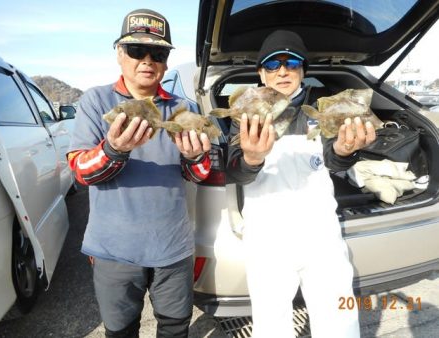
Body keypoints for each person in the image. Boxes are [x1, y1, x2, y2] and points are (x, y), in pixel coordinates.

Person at [66, 9, 212, 338]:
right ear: (119, 53)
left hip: (173, 248)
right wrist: (113, 149)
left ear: (165, 60)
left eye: (158, 53)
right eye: (136, 51)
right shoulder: (95, 101)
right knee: (120, 330)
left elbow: (201, 174)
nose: (147, 60)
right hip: (114, 249)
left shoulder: (183, 108)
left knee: (176, 327)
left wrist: (195, 155)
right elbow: (80, 170)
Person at [227, 30, 377, 337]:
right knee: (271, 325)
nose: (282, 71)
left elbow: (334, 160)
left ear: (302, 70)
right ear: (261, 73)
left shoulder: (323, 108)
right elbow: (234, 172)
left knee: (339, 321)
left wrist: (345, 150)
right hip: (267, 237)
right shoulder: (245, 111)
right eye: (272, 64)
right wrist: (252, 158)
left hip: (320, 233)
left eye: (291, 62)